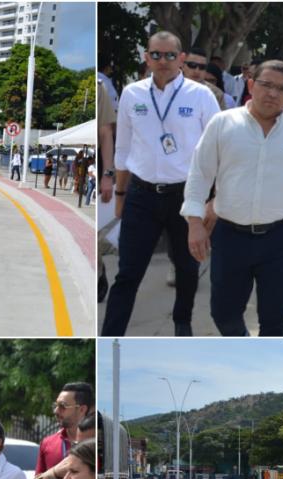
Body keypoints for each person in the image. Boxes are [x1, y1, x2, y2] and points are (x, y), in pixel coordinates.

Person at [184, 59, 283, 335]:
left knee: (274, 322)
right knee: (224, 314)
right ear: (250, 85)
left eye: (281, 89)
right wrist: (195, 223)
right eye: (266, 85)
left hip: (279, 238)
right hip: (230, 236)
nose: (272, 93)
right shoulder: (223, 123)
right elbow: (200, 174)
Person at [102, 31, 221, 337]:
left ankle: (182, 324)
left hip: (186, 196)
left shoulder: (200, 96)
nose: (163, 61)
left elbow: (219, 149)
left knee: (186, 268)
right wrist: (120, 192)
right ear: (147, 57)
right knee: (127, 273)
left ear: (181, 58)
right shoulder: (132, 94)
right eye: (156, 54)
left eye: (170, 55)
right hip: (141, 194)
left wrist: (212, 200)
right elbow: (123, 149)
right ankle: (111, 334)